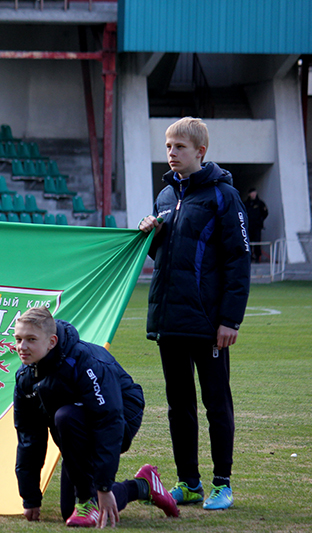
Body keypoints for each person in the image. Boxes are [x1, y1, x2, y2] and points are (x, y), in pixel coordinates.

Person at [138, 117, 250, 511]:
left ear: (200, 151)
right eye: (168, 146)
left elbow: (238, 259)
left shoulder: (224, 195)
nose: (172, 153)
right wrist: (151, 235)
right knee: (178, 405)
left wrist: (230, 319)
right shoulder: (165, 196)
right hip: (170, 320)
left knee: (216, 403)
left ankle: (223, 484)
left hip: (208, 322)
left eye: (180, 147)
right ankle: (189, 483)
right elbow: (165, 258)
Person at [13, 307, 179, 528]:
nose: (22, 347)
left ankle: (89, 498)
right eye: (19, 339)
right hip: (77, 427)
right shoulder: (26, 377)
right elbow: (29, 438)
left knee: (65, 417)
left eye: (31, 339)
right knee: (69, 511)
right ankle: (144, 485)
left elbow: (108, 421)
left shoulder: (86, 362)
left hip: (120, 413)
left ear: (52, 342)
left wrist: (104, 487)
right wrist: (30, 497)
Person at [244, 187, 268, 263]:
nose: (253, 195)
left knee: (257, 242)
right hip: (248, 227)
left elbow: (265, 213)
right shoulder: (246, 204)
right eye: (252, 193)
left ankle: (258, 257)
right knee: (249, 242)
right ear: (249, 194)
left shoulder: (260, 203)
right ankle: (250, 257)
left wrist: (260, 221)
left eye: (254, 193)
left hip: (257, 227)